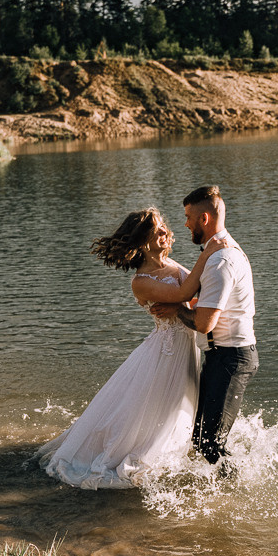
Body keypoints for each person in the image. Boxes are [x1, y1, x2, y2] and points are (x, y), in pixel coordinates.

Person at [37, 207, 229, 489]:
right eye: (156, 228)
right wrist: (209, 252)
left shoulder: (172, 265)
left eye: (164, 225)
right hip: (166, 353)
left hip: (185, 349)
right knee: (158, 407)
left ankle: (175, 454)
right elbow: (183, 293)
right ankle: (142, 454)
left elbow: (194, 293)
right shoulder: (140, 282)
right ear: (142, 240)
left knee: (175, 408)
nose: (165, 230)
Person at [151, 186, 257, 474]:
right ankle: (227, 487)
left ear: (205, 218)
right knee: (201, 439)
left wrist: (176, 310)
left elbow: (203, 323)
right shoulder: (217, 254)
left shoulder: (221, 260)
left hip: (231, 358)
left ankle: (237, 495)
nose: (185, 223)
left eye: (188, 217)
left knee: (209, 443)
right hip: (220, 356)